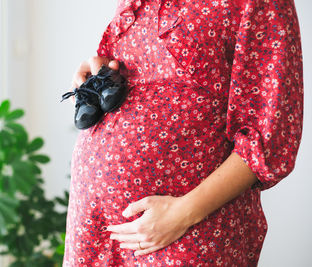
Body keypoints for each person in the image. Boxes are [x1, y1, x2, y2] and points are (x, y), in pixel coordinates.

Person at [63, 0, 304, 266]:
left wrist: (183, 214)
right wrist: (99, 70)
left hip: (186, 231)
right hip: (95, 228)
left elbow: (270, 136)